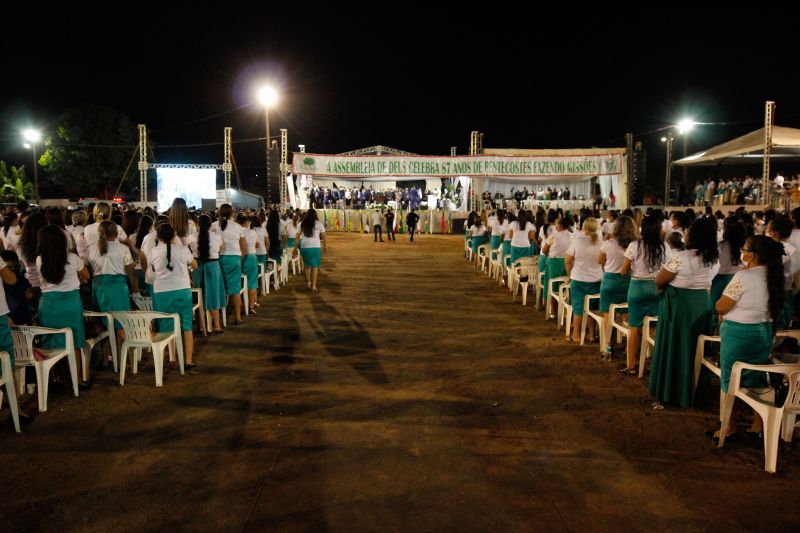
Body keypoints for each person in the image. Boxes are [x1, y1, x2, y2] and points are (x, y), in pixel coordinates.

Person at [713, 235, 784, 440]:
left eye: (744, 250)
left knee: (729, 379)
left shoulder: (744, 277)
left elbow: (721, 306)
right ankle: (758, 424)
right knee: (756, 375)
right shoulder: (776, 275)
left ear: (751, 255)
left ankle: (729, 426)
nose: (741, 253)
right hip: (764, 333)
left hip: (738, 333)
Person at [650, 216, 719, 408]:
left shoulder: (681, 258)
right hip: (702, 305)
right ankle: (696, 392)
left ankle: (671, 393)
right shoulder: (713, 258)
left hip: (679, 306)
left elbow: (659, 280)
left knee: (674, 347)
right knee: (695, 349)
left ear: (693, 236)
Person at [36, 225, 90, 386]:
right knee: (75, 341)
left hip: (48, 304)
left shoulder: (40, 260)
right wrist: (79, 279)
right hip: (70, 303)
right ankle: (77, 378)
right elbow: (86, 275)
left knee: (51, 340)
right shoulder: (72, 258)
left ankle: (53, 376)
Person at [620, 216, 666, 374]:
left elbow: (623, 270)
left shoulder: (634, 245)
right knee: (655, 327)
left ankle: (631, 365)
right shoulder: (665, 247)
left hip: (637, 288)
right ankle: (655, 364)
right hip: (657, 287)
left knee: (635, 327)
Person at [150, 223, 198, 370]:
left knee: (164, 327)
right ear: (174, 235)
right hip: (182, 289)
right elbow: (195, 265)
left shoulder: (154, 251)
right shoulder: (183, 250)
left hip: (161, 292)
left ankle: (165, 359)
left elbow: (153, 268)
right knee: (187, 326)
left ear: (158, 236)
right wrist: (185, 269)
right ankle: (188, 360)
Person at [88, 221, 138, 360]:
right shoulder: (123, 249)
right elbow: (130, 272)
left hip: (98, 289)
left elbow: (87, 267)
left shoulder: (91, 249)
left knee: (103, 324)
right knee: (121, 324)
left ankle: (105, 359)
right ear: (116, 234)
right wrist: (135, 290)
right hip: (117, 289)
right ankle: (124, 358)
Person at [598, 216, 636, 357]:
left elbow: (599, 260)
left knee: (608, 315)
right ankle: (629, 346)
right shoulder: (635, 244)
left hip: (610, 281)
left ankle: (608, 346)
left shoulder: (608, 244)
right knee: (627, 315)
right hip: (628, 281)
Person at [566, 218, 603, 342]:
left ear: (584, 229)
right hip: (597, 279)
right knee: (592, 309)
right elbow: (604, 263)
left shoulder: (577, 241)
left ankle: (576, 335)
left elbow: (567, 260)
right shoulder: (601, 243)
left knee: (578, 307)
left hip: (578, 278)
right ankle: (592, 335)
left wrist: (569, 275)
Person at [213, 204, 246, 325]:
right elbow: (244, 248)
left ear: (219, 213)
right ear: (232, 213)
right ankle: (238, 317)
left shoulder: (214, 226)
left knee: (220, 289)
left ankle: (220, 319)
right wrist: (239, 260)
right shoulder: (238, 226)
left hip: (218, 259)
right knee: (235, 290)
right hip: (234, 259)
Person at [193, 214, 225, 335]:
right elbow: (220, 249)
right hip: (213, 266)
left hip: (197, 267)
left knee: (198, 295)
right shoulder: (217, 237)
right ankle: (217, 325)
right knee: (213, 295)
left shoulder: (191, 237)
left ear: (198, 224)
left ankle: (201, 326)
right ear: (211, 225)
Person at [293, 209, 326, 292]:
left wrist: (295, 248)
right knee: (315, 266)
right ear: (315, 215)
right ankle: (314, 286)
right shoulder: (319, 224)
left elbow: (297, 238)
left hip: (305, 246)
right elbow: (324, 236)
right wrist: (325, 246)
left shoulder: (301, 224)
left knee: (307, 266)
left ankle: (308, 282)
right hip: (315, 246)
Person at [237, 213, 260, 315]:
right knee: (252, 283)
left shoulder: (236, 232)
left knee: (240, 282)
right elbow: (258, 245)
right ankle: (251, 306)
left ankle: (241, 304)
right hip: (251, 257)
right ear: (247, 222)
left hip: (239, 258)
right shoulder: (252, 232)